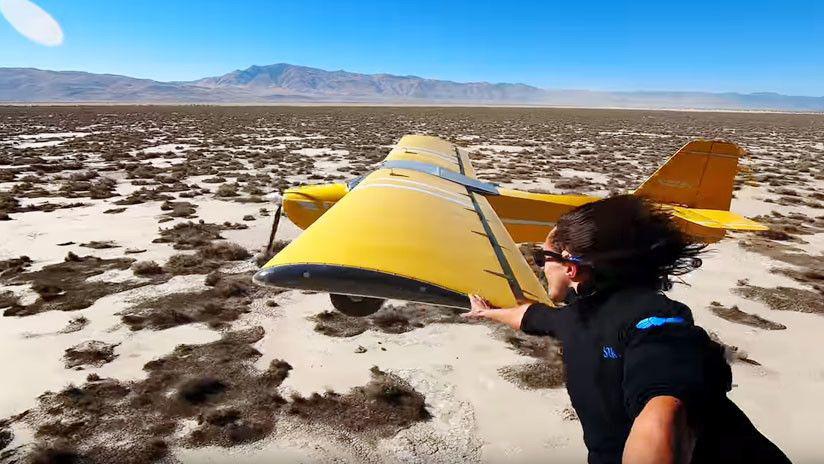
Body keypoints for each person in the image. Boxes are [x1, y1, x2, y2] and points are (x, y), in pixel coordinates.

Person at [463, 195, 790, 464]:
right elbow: (534, 317)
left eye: (541, 257)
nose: (539, 264)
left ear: (571, 267)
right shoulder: (581, 315)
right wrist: (490, 313)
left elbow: (662, 414)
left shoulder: (655, 319)